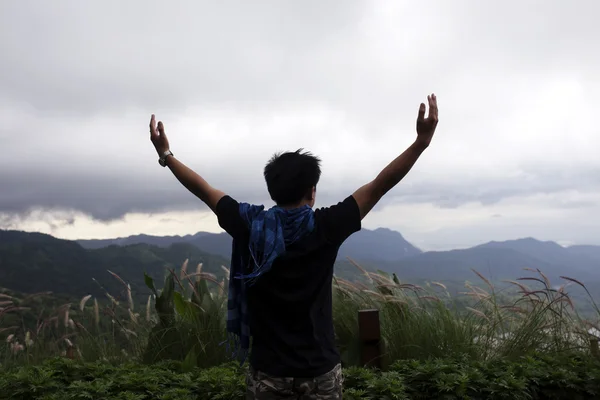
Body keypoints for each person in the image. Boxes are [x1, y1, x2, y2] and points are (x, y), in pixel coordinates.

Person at [149, 94, 439, 399]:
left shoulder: (249, 225)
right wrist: (421, 142)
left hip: (268, 375)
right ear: (312, 192)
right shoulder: (326, 227)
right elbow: (380, 185)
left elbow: (204, 190)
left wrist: (166, 154)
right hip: (320, 374)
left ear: (272, 190)